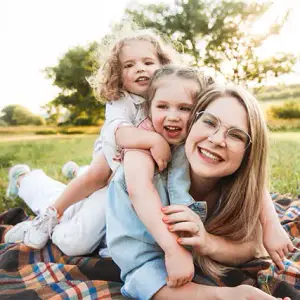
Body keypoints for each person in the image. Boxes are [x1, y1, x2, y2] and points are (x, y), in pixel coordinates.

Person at [106, 84, 293, 300]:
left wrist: (207, 242)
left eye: (236, 135)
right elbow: (140, 276)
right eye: (209, 122)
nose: (216, 139)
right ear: (192, 123)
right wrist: (229, 296)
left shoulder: (241, 186)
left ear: (248, 153)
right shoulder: (133, 184)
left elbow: (250, 247)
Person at [4, 64, 213, 257]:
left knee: (83, 206)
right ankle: (26, 182)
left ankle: (77, 172)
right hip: (110, 190)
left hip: (116, 196)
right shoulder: (137, 127)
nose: (173, 116)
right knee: (74, 239)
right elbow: (121, 141)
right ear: (150, 107)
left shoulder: (197, 142)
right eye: (163, 106)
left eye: (185, 108)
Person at [4, 28, 177, 251]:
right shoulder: (122, 101)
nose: (140, 68)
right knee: (82, 222)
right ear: (117, 74)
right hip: (110, 169)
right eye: (129, 65)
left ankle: (77, 173)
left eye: (148, 62)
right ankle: (40, 202)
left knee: (91, 198)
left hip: (137, 185)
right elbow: (119, 133)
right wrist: (155, 140)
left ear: (164, 66)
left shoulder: (172, 96)